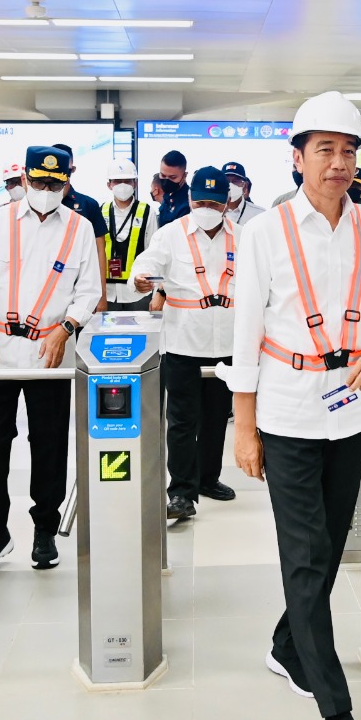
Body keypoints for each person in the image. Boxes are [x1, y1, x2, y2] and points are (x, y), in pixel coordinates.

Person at [223, 91, 361, 720]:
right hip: (285, 409)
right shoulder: (264, 232)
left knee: (328, 548)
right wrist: (243, 429)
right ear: (298, 157)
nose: (337, 163)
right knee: (304, 556)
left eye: (348, 150)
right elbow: (245, 336)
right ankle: (338, 714)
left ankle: (284, 645)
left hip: (352, 410)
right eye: (324, 149)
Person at [0, 146, 102, 579]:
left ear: (67, 183)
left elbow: (89, 290)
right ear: (24, 180)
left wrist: (66, 329)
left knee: (49, 443)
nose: (45, 192)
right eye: (38, 183)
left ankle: (45, 528)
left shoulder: (78, 227)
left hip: (49, 352)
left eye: (54, 185)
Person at [134, 166, 237, 520]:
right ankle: (180, 492)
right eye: (201, 201)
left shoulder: (244, 236)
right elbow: (150, 261)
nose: (207, 207)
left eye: (215, 202)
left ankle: (209, 477)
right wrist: (142, 277)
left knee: (216, 417)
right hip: (182, 342)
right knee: (181, 420)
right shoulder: (171, 234)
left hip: (228, 341)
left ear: (227, 203)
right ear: (191, 199)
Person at [51, 143, 109, 312]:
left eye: (65, 169)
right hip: (47, 290)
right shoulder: (36, 206)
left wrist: (102, 297)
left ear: (72, 169)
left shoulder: (88, 205)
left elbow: (100, 251)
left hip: (81, 288)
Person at [102, 158, 155, 310]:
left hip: (138, 292)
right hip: (109, 291)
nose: (123, 185)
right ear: (109, 185)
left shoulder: (146, 211)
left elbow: (152, 253)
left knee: (139, 333)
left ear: (135, 184)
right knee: (109, 334)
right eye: (118, 181)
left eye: (128, 181)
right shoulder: (101, 210)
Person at [156, 150, 191, 227]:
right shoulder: (168, 196)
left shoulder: (188, 204)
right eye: (163, 175)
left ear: (184, 175)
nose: (166, 181)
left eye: (172, 177)